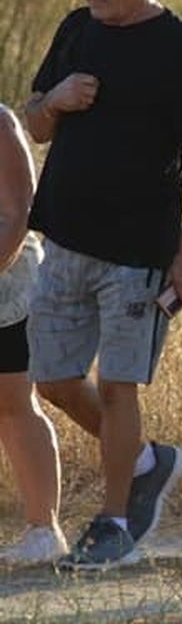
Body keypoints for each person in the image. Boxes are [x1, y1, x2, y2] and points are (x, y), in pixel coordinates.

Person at [22, 0, 182, 570]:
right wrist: (56, 101)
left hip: (139, 252)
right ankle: (145, 460)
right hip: (65, 240)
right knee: (52, 378)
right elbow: (33, 125)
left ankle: (113, 523)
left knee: (120, 384)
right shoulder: (77, 30)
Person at [0, 104, 67, 565]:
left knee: (13, 402)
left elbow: (20, 209)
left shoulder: (0, 124)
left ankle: (44, 532)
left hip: (10, 284)